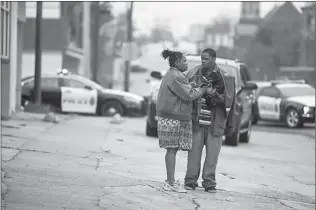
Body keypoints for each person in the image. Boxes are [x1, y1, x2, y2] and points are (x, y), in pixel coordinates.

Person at [184, 48, 236, 193]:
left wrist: (219, 100)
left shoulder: (225, 77)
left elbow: (231, 102)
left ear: (214, 59)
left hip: (216, 123)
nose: (203, 61)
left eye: (206, 58)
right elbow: (185, 94)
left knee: (212, 156)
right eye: (202, 58)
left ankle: (209, 182)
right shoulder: (193, 74)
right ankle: (190, 181)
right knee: (193, 155)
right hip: (196, 122)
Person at [156, 49, 206, 193]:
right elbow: (188, 95)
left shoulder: (172, 74)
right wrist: (203, 90)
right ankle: (170, 183)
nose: (187, 63)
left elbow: (184, 90)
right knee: (172, 150)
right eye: (184, 61)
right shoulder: (176, 76)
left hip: (170, 117)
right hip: (174, 118)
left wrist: (194, 86)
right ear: (177, 63)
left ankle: (170, 181)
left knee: (172, 150)